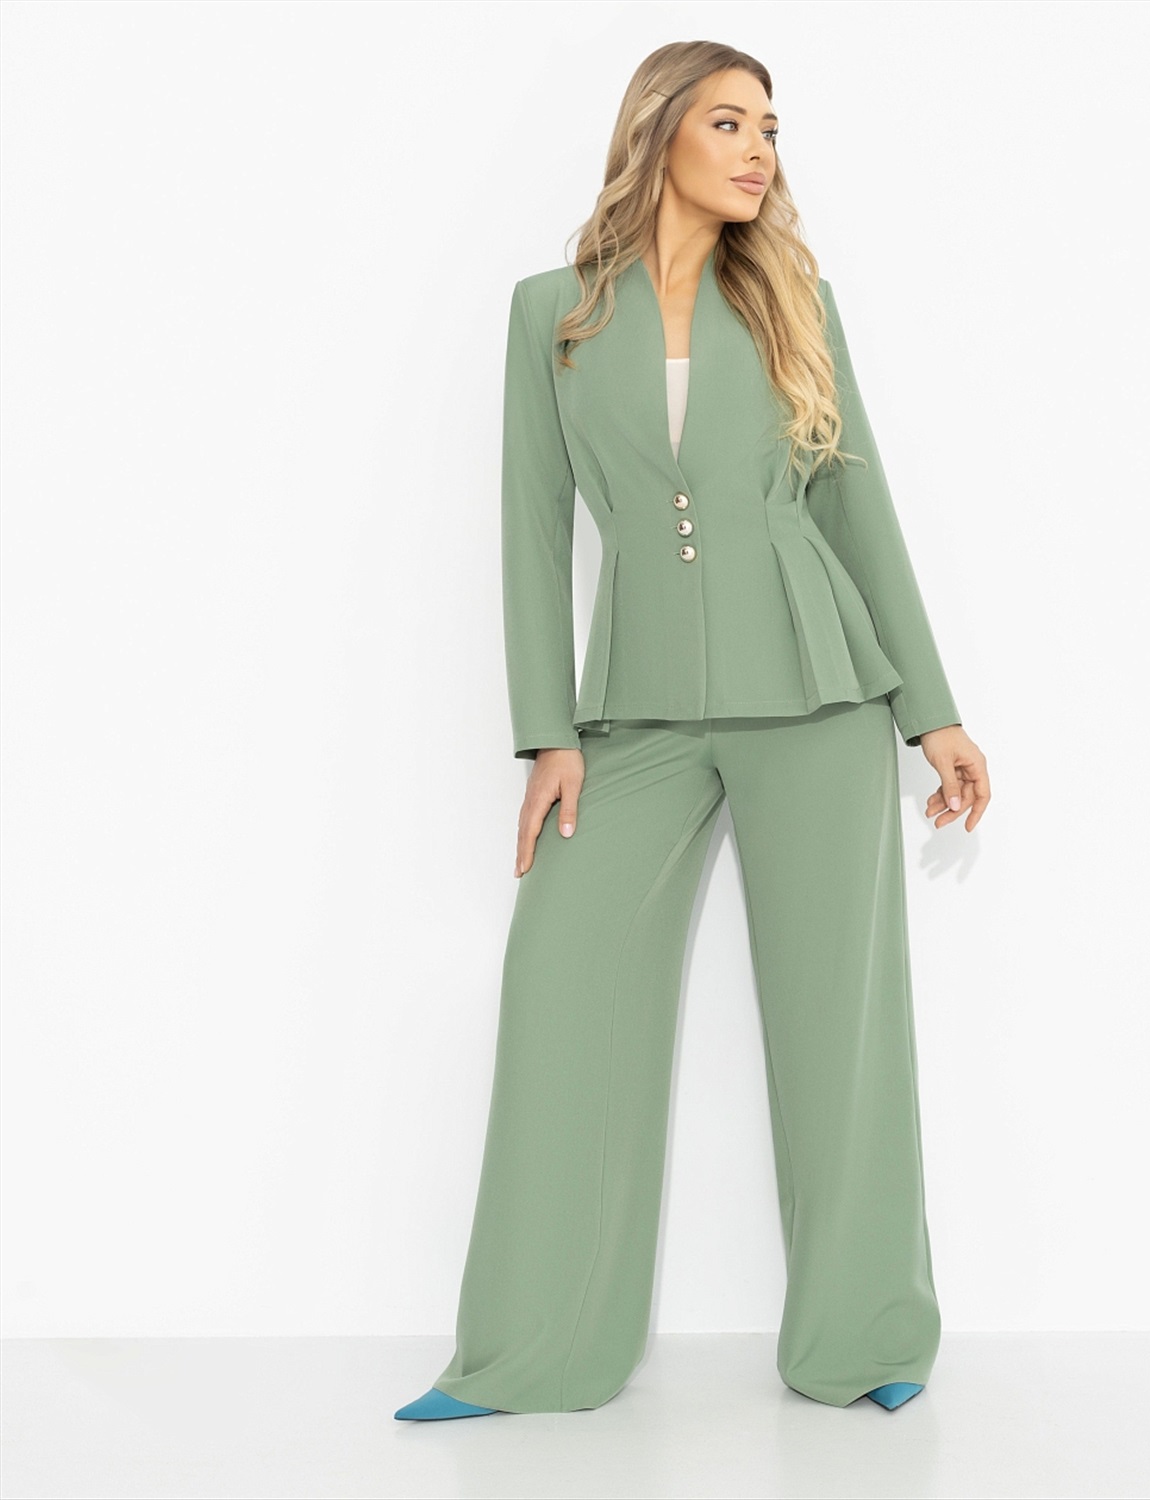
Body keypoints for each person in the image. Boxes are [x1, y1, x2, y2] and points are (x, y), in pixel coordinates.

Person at [396, 39, 990, 1421]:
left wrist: (933, 711)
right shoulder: (551, 312)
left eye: (770, 128)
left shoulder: (794, 303)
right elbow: (530, 528)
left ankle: (864, 1341)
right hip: (636, 711)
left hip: (820, 695)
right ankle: (532, 1352)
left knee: (839, 1028)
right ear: (657, 131)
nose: (759, 150)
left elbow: (856, 505)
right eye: (729, 122)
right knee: (563, 996)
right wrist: (548, 733)